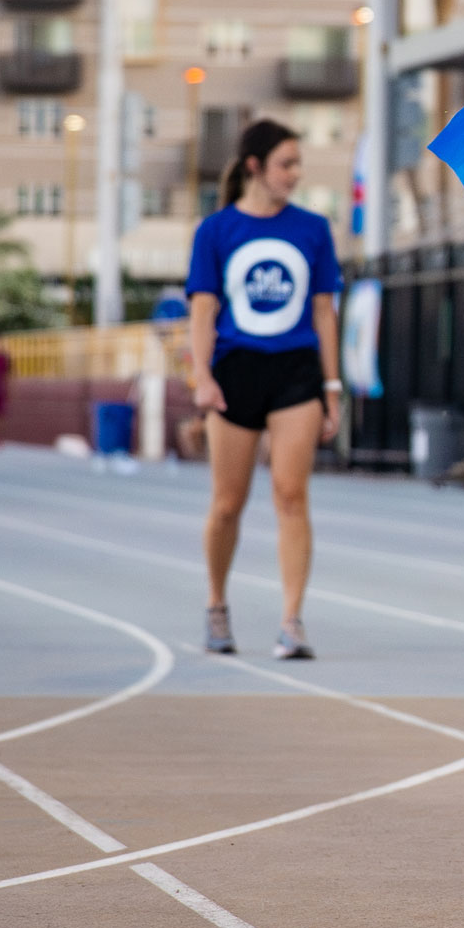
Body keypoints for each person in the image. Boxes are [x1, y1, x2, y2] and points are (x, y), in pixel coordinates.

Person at [186, 119, 343, 662]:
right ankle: (216, 604)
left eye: (298, 164)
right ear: (255, 167)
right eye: (286, 164)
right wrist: (202, 375)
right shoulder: (216, 231)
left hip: (296, 372)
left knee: (291, 494)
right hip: (235, 372)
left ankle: (292, 620)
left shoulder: (313, 230)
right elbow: (203, 309)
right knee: (228, 503)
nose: (295, 175)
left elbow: (324, 310)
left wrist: (332, 386)